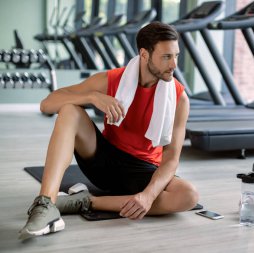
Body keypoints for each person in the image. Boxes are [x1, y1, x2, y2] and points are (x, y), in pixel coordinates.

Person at [19, 21, 199, 239]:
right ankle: (45, 204)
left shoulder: (179, 98)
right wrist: (92, 97)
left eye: (176, 56)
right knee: (69, 110)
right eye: (166, 57)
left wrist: (148, 196)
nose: (174, 64)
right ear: (144, 54)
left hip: (143, 170)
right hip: (104, 161)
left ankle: (84, 201)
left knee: (188, 196)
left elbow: (170, 159)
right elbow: (46, 104)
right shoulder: (110, 80)